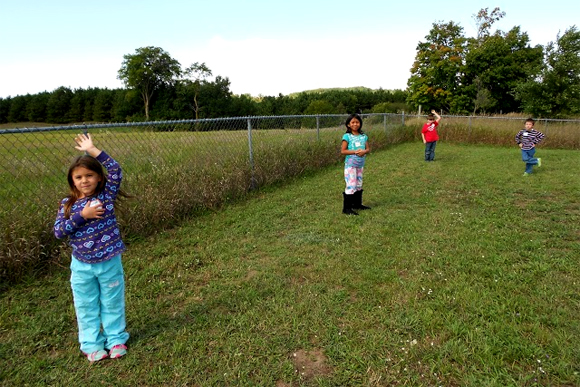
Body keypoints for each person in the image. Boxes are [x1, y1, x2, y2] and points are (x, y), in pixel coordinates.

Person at [54, 133, 130, 362]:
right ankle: (91, 345)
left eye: (89, 175)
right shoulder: (68, 205)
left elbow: (116, 170)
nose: (84, 180)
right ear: (72, 180)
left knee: (112, 302)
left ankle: (116, 340)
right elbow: (59, 232)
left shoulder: (105, 197)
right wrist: (82, 216)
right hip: (82, 267)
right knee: (86, 306)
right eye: (78, 177)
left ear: (99, 178)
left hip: (109, 263)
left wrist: (93, 149)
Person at [341, 113, 371, 215]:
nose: (355, 124)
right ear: (348, 124)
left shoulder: (363, 136)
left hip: (360, 164)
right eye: (352, 122)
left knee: (358, 184)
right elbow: (343, 151)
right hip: (350, 165)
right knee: (351, 184)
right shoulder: (347, 136)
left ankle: (357, 204)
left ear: (360, 124)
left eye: (357, 122)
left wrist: (364, 151)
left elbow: (368, 149)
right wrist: (355, 152)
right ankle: (347, 208)